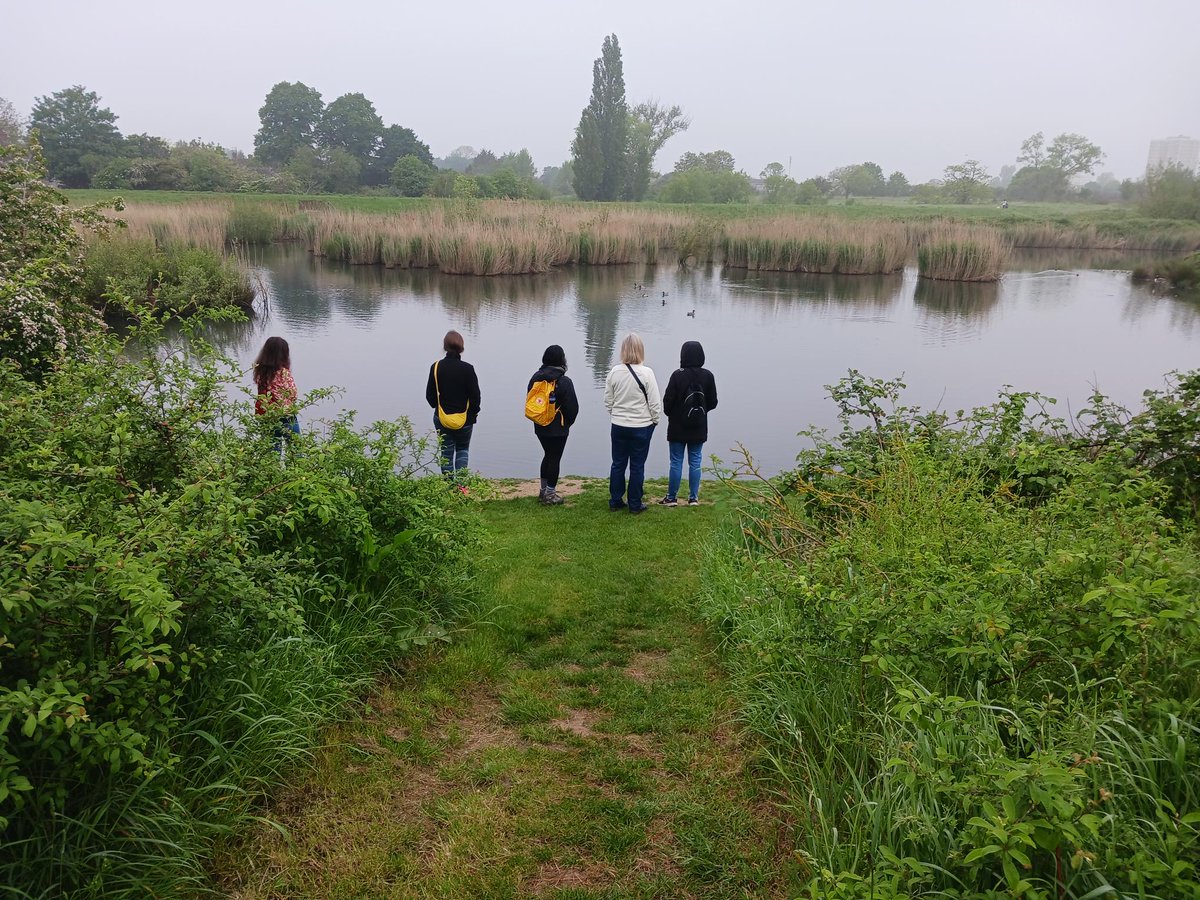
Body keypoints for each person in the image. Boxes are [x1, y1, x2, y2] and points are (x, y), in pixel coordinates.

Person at [604, 333, 661, 514]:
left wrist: (616, 414)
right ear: (640, 350)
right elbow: (654, 402)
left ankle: (615, 500)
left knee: (618, 463)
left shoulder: (614, 372)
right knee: (637, 465)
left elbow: (608, 400)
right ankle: (635, 504)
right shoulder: (647, 373)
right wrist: (655, 420)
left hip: (619, 425)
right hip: (641, 426)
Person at [659, 340, 718, 507]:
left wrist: (673, 414)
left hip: (677, 426)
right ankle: (693, 497)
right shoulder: (708, 376)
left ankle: (671, 498)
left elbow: (667, 401)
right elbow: (713, 402)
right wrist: (701, 413)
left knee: (676, 461)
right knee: (696, 461)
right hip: (699, 426)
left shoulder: (677, 375)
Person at [527, 345, 580, 505]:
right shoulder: (564, 381)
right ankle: (550, 495)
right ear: (562, 360)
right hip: (558, 429)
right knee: (554, 458)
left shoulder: (536, 378)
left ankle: (543, 491)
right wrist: (567, 424)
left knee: (547, 456)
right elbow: (573, 408)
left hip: (540, 425)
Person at [426, 329, 481, 478]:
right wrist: (472, 415)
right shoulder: (468, 369)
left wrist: (437, 408)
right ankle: (461, 487)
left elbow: (430, 395)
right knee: (463, 449)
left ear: (445, 347)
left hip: (441, 417)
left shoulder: (436, 367)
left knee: (446, 451)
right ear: (461, 348)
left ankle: (449, 487)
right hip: (465, 418)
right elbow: (475, 397)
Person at [252, 335, 300, 452]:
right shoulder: (283, 372)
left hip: (267, 415)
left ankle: (271, 470)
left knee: (272, 451)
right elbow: (293, 394)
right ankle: (295, 469)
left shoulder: (260, 372)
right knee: (296, 450)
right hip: (286, 416)